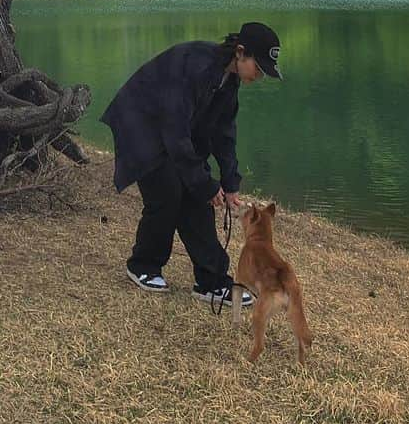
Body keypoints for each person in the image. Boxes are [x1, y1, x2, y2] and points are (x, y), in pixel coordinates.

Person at [100, 21, 282, 305]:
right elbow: (174, 131)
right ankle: (143, 266)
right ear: (241, 52)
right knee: (167, 192)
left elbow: (224, 134)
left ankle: (212, 282)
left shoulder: (229, 81)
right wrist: (203, 183)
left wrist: (229, 183)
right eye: (258, 68)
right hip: (142, 123)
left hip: (174, 132)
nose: (259, 76)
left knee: (197, 198)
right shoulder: (196, 65)